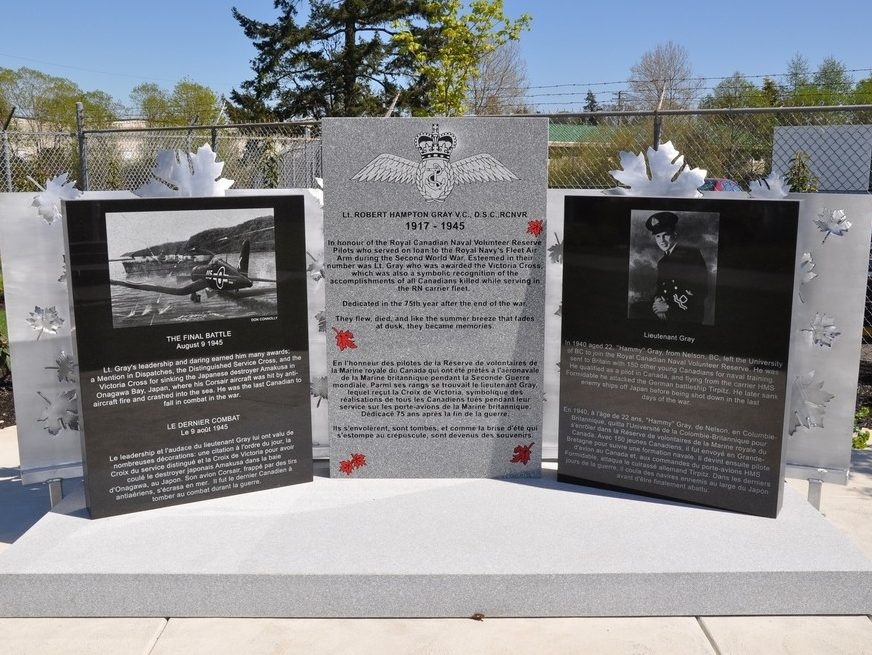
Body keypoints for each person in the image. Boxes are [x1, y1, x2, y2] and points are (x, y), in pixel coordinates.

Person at [645, 211, 707, 323]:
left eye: (665, 235)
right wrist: (657, 301)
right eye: (658, 236)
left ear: (674, 234)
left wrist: (668, 307)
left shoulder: (691, 254)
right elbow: (661, 288)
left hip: (686, 313)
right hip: (666, 310)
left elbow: (700, 290)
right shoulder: (662, 262)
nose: (661, 240)